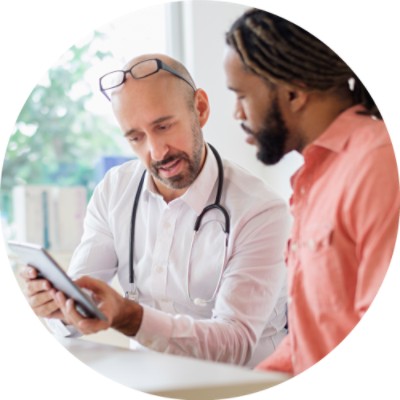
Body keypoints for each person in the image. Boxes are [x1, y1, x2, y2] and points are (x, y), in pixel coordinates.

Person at [20, 53, 291, 368]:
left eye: (163, 126)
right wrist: (58, 305)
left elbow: (235, 344)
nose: (156, 151)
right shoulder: (114, 191)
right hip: (150, 381)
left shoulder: (260, 210)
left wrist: (130, 317)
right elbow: (81, 299)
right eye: (136, 137)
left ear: (200, 109)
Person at [223, 8, 400, 375]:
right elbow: (315, 338)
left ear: (292, 92)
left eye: (241, 95)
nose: (236, 113)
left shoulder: (378, 164)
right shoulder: (314, 177)